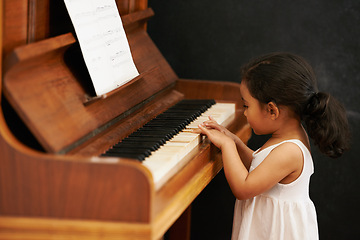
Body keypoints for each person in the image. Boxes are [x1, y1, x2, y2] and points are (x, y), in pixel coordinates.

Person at [197, 52, 350, 239]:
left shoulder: (290, 151)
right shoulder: (290, 135)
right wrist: (235, 142)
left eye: (246, 106)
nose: (244, 113)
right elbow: (258, 166)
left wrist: (228, 146)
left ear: (272, 110)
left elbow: (243, 189)